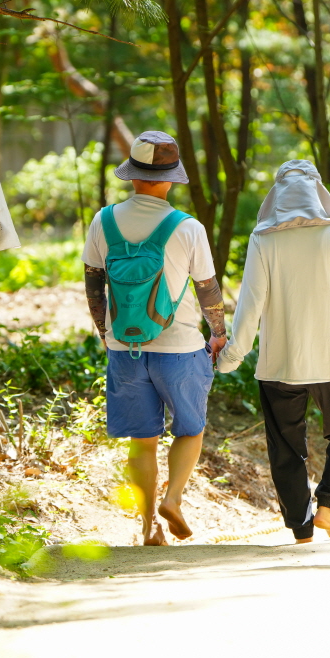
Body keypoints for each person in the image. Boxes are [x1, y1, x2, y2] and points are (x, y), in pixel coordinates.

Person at [217, 161, 330, 544]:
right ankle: (327, 507)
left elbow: (250, 307)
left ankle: (302, 529)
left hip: (280, 363)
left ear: (277, 196)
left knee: (285, 449)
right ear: (317, 193)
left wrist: (231, 357)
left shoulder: (263, 240)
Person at [82, 131, 227, 546]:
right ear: (170, 178)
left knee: (141, 441)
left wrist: (106, 335)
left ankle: (148, 528)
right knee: (190, 429)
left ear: (132, 176)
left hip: (124, 347)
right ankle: (174, 499)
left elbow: (94, 286)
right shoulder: (188, 227)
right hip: (179, 347)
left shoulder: (103, 220)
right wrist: (217, 334)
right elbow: (207, 289)